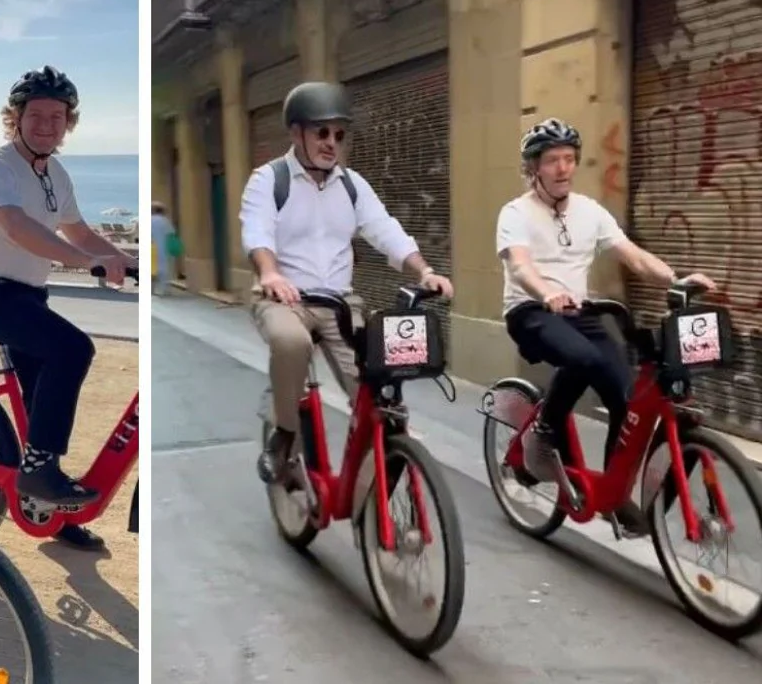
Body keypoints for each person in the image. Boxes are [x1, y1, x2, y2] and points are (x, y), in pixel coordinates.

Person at [495, 117, 715, 535]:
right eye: (552, 160)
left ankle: (615, 494)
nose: (562, 168)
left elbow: (630, 254)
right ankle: (542, 434)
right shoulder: (515, 213)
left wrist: (676, 278)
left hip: (578, 311)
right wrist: (546, 293)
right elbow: (520, 265)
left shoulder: (589, 212)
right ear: (534, 168)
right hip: (531, 311)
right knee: (582, 358)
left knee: (628, 398)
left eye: (569, 159)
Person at [0, 65, 138, 552]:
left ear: (69, 123)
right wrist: (85, 263)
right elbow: (16, 227)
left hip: (28, 296)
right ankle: (39, 478)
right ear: (15, 118)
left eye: (58, 117)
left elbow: (78, 231)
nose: (47, 125)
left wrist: (123, 260)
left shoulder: (56, 172)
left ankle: (48, 502)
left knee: (43, 413)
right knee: (72, 349)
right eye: (36, 115)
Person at [239, 81, 454, 484]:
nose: (331, 143)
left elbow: (386, 230)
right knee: (291, 343)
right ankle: (285, 436)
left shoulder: (352, 185)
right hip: (284, 299)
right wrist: (270, 273)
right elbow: (257, 231)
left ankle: (381, 476)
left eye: (339, 134)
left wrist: (425, 270)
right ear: (296, 132)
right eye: (321, 132)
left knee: (379, 389)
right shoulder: (269, 179)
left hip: (340, 303)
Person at [150, 201, 177, 295]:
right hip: (163, 247)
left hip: (151, 247)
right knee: (164, 268)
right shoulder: (165, 221)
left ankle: (151, 289)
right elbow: (171, 234)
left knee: (151, 269)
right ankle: (164, 289)